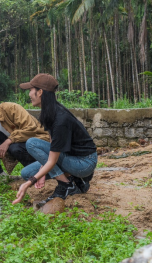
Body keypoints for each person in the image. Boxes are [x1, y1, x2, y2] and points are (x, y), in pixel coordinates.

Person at [13, 74, 97, 205]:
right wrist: (42, 165)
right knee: (26, 173)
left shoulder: (60, 119)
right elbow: (53, 146)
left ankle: (66, 185)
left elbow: (52, 161)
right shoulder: (50, 112)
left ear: (40, 92)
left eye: (31, 90)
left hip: (84, 162)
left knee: (31, 143)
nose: (29, 94)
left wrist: (28, 184)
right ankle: (75, 180)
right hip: (71, 158)